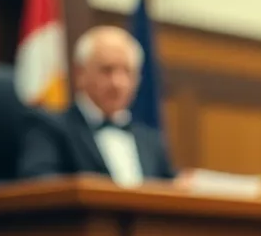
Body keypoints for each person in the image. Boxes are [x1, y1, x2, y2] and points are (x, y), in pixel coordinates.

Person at [16, 26, 182, 187]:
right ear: (80, 74)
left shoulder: (150, 140)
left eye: (127, 72)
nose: (118, 83)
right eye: (107, 70)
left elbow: (169, 190)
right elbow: (39, 184)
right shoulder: (49, 127)